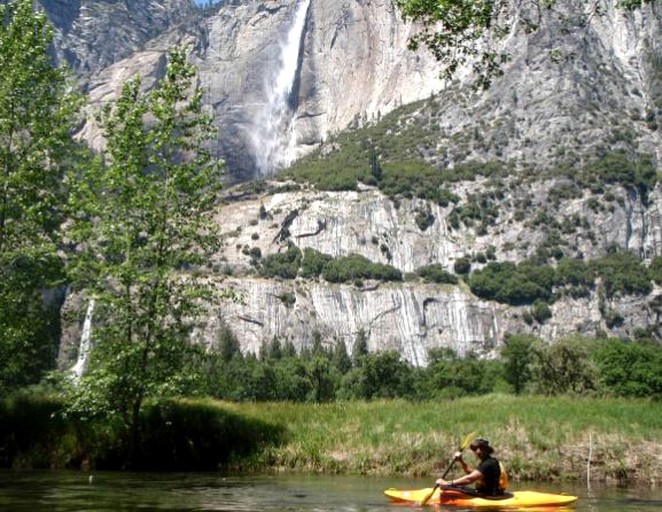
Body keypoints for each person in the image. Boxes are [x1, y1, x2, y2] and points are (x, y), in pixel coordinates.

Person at [435, 437, 504, 497]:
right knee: (452, 487)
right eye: (475, 449)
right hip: (482, 492)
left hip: (488, 496)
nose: (477, 451)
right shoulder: (487, 461)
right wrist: (461, 461)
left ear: (486, 449)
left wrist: (447, 483)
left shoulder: (489, 463)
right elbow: (471, 473)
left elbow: (469, 479)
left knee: (448, 487)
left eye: (480, 448)